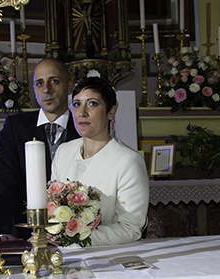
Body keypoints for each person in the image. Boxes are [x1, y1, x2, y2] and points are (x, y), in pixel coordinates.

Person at [51, 76, 149, 245]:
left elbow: (130, 228)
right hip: (63, 255)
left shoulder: (128, 161)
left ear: (111, 111)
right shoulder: (63, 152)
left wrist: (71, 237)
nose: (82, 113)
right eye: (76, 104)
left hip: (108, 257)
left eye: (92, 103)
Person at [0, 58, 80, 240]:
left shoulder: (83, 127)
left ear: (70, 86)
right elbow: (3, 182)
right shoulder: (16, 127)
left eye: (54, 81)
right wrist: (3, 231)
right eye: (39, 83)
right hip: (24, 232)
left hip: (77, 230)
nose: (46, 89)